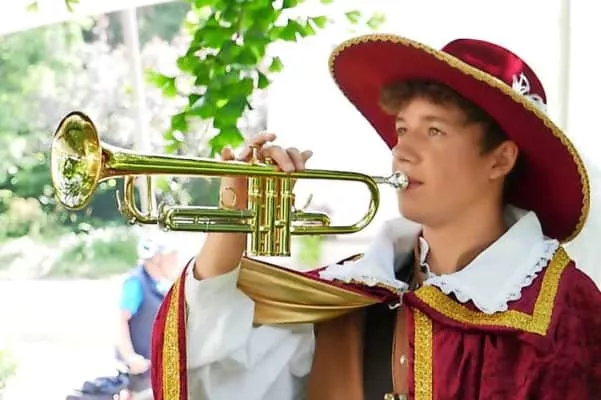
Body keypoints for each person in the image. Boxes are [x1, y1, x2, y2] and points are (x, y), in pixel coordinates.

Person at [150, 34, 601, 399]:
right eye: (402, 128)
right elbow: (209, 376)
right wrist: (234, 217)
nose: (402, 151)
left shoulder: (564, 313)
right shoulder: (355, 291)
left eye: (434, 130)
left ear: (500, 160)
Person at [116, 233, 178, 399]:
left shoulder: (162, 284)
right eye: (171, 256)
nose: (175, 260)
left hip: (156, 373)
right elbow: (121, 321)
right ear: (156, 258)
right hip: (140, 376)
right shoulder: (136, 283)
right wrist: (129, 356)